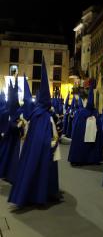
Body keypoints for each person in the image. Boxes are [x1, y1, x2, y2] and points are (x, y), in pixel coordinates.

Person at [8, 58, 61, 207]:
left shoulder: (38, 113)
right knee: (40, 171)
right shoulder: (43, 116)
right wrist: (51, 143)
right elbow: (43, 137)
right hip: (44, 151)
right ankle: (39, 195)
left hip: (33, 149)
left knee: (30, 168)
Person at [68, 85, 103, 165]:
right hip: (84, 120)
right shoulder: (82, 109)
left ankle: (83, 158)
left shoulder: (83, 111)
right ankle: (82, 158)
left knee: (84, 140)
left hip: (85, 121)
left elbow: (89, 107)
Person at [0, 78, 23, 184]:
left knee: (8, 153)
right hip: (9, 135)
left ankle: (7, 172)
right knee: (8, 153)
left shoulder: (12, 109)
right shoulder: (8, 109)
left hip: (11, 135)